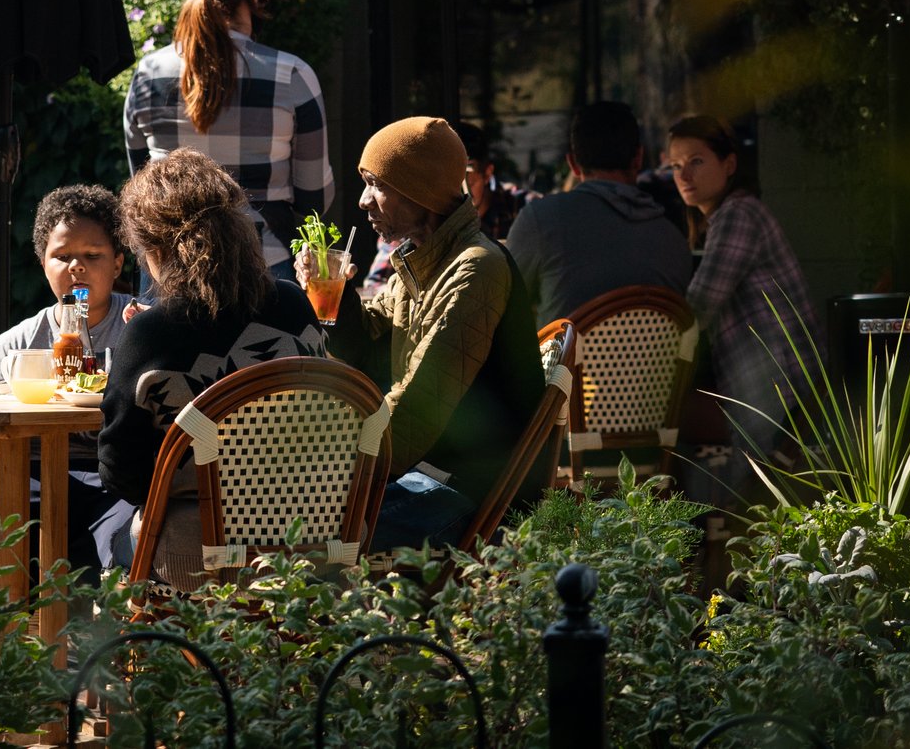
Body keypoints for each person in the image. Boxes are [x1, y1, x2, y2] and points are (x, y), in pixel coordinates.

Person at [303, 118, 544, 551]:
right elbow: (373, 338)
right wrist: (335, 297)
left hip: (474, 488)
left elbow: (418, 411)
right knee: (305, 513)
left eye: (376, 185)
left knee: (312, 533)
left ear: (421, 191)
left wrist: (320, 462)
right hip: (434, 467)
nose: (363, 201)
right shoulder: (425, 257)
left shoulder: (476, 267)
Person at [99, 150, 326, 590]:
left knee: (103, 542)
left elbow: (119, 471)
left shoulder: (152, 333)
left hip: (199, 557)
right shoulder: (297, 306)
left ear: (157, 249)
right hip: (312, 544)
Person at [0, 183, 138, 587]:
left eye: (93, 256)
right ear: (43, 264)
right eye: (62, 256)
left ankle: (105, 649)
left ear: (117, 264)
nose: (77, 266)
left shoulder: (135, 331)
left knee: (133, 549)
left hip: (111, 476)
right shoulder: (19, 342)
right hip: (25, 471)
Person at [122, 0, 332, 280]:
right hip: (264, 266)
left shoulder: (148, 72)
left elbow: (143, 180)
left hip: (168, 268)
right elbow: (314, 197)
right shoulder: (292, 75)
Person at [667, 114, 814, 462]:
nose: (684, 176)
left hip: (783, 392)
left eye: (696, 161)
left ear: (729, 164)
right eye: (675, 166)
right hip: (769, 389)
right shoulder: (728, 216)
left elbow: (698, 307)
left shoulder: (739, 215)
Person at [504, 100, 691, 327]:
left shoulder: (540, 221)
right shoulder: (674, 240)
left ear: (573, 163)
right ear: (639, 158)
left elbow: (503, 308)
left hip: (565, 364)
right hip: (662, 364)